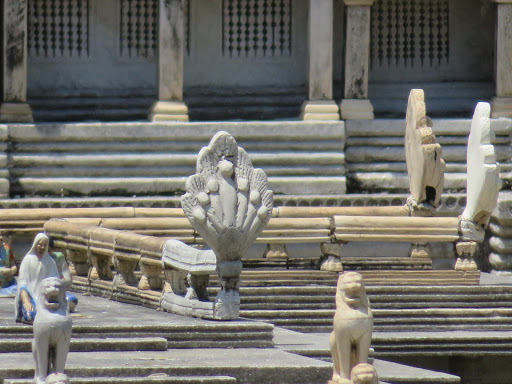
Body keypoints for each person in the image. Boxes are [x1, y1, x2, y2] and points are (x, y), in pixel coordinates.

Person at [15, 233, 59, 323]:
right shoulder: (28, 260)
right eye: (40, 244)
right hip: (30, 296)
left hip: (46, 297)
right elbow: (22, 283)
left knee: (71, 301)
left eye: (44, 245)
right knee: (30, 315)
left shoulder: (50, 262)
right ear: (35, 244)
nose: (42, 247)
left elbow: (55, 281)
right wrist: (26, 301)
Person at [48, 237, 78, 312]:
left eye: (49, 251)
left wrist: (59, 282)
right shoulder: (34, 259)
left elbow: (67, 278)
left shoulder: (58, 257)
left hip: (57, 290)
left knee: (71, 301)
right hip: (42, 292)